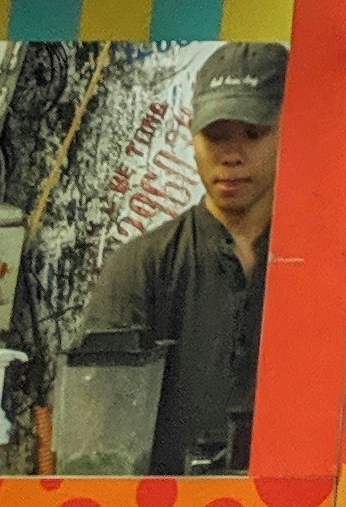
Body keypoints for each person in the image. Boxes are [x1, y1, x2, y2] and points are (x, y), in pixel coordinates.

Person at [76, 40, 284, 474]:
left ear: (292, 128)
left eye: (252, 133)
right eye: (215, 134)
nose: (230, 155)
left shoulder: (324, 266)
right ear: (191, 136)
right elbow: (101, 442)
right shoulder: (141, 267)